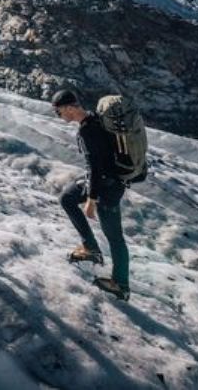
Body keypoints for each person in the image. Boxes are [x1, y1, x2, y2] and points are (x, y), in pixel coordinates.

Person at [53, 89, 131, 301]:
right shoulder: (95, 121)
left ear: (69, 107)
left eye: (59, 112)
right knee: (67, 198)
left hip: (108, 187)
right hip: (104, 180)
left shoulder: (88, 132)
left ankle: (121, 285)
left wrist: (91, 200)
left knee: (115, 237)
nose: (59, 116)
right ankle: (91, 247)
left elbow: (96, 168)